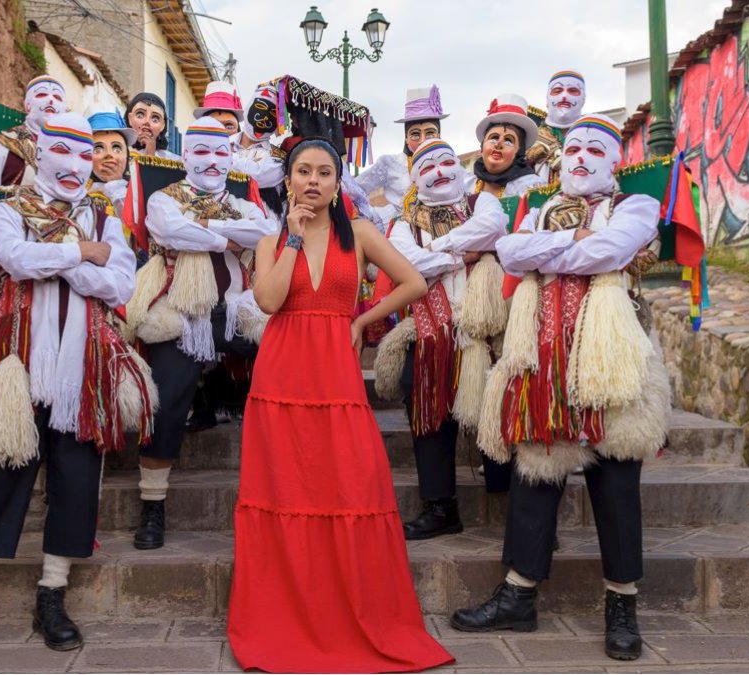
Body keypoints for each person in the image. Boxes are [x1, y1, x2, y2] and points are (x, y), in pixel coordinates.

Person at [0, 112, 153, 658]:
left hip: (80, 370)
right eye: (62, 152)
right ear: (41, 154)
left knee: (74, 476)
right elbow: (16, 260)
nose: (74, 165)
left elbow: (119, 282)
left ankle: (53, 594)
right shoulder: (6, 209)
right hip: (15, 368)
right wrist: (79, 254)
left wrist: (64, 262)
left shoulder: (103, 215)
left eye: (84, 154)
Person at [227, 137, 453, 673]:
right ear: (288, 180)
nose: (313, 180)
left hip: (336, 372)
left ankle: (348, 614)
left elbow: (414, 281)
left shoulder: (364, 234)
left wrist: (360, 320)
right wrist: (293, 240)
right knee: (284, 491)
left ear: (336, 182)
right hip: (281, 376)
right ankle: (286, 616)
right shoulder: (268, 241)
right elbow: (269, 301)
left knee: (352, 482)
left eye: (324, 172)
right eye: (303, 171)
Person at [449, 114, 669, 662]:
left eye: (596, 149)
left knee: (617, 483)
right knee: (536, 473)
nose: (580, 156)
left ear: (615, 162)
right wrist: (573, 237)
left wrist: (549, 249)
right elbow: (512, 253)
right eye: (573, 147)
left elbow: (611, 253)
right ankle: (518, 596)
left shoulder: (635, 206)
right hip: (543, 358)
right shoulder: (538, 207)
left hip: (611, 363)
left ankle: (623, 606)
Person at [119, 117, 277, 550]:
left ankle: (285, 487)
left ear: (231, 156)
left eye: (220, 151)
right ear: (186, 155)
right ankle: (153, 503)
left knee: (284, 368)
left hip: (238, 310)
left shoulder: (246, 203)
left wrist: (206, 232)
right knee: (168, 400)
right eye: (202, 151)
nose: (211, 160)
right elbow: (169, 230)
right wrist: (227, 237)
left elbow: (266, 234)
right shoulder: (162, 199)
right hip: (181, 311)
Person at [373, 139, 509, 540]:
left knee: (495, 409)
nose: (440, 170)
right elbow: (404, 265)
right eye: (428, 166)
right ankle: (439, 506)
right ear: (416, 178)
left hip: (486, 330)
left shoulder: (481, 201)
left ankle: (508, 499)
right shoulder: (401, 223)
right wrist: (459, 256)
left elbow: (494, 230)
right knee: (426, 405)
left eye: (447, 161)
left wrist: (435, 248)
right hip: (428, 330)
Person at [354, 86, 449, 226]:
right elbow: (355, 189)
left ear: (439, 136)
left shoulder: (450, 166)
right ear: (406, 139)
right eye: (415, 134)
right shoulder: (391, 164)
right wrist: (376, 217)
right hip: (399, 238)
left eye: (430, 133)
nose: (423, 140)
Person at [0, 75, 66, 187]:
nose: (51, 100)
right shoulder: (4, 142)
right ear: (28, 106)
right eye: (42, 94)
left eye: (57, 97)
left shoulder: (72, 151)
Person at [466, 93, 544, 199]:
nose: (499, 144)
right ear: (482, 147)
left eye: (508, 141)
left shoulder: (533, 189)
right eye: (493, 138)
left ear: (519, 152)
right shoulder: (464, 184)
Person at [526, 71, 587, 184]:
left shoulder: (596, 136)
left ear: (583, 99)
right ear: (547, 101)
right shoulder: (530, 139)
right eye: (557, 91)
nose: (564, 96)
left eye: (573, 91)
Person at [86, 110, 137, 216]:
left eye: (117, 149)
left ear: (126, 155)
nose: (109, 155)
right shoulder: (77, 193)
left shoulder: (139, 192)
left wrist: (115, 185)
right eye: (98, 149)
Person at [125, 92, 179, 160]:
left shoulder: (172, 161)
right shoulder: (120, 154)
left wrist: (150, 156)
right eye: (140, 115)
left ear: (162, 126)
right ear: (130, 118)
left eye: (155, 119)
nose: (147, 122)